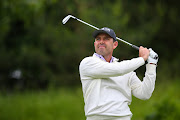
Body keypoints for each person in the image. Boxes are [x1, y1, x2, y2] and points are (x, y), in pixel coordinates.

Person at [79, 27, 158, 120]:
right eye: (98, 39)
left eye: (106, 39)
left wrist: (152, 64)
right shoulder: (88, 63)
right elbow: (117, 70)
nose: (101, 41)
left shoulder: (126, 70)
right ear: (94, 44)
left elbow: (144, 94)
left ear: (115, 44)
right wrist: (143, 58)